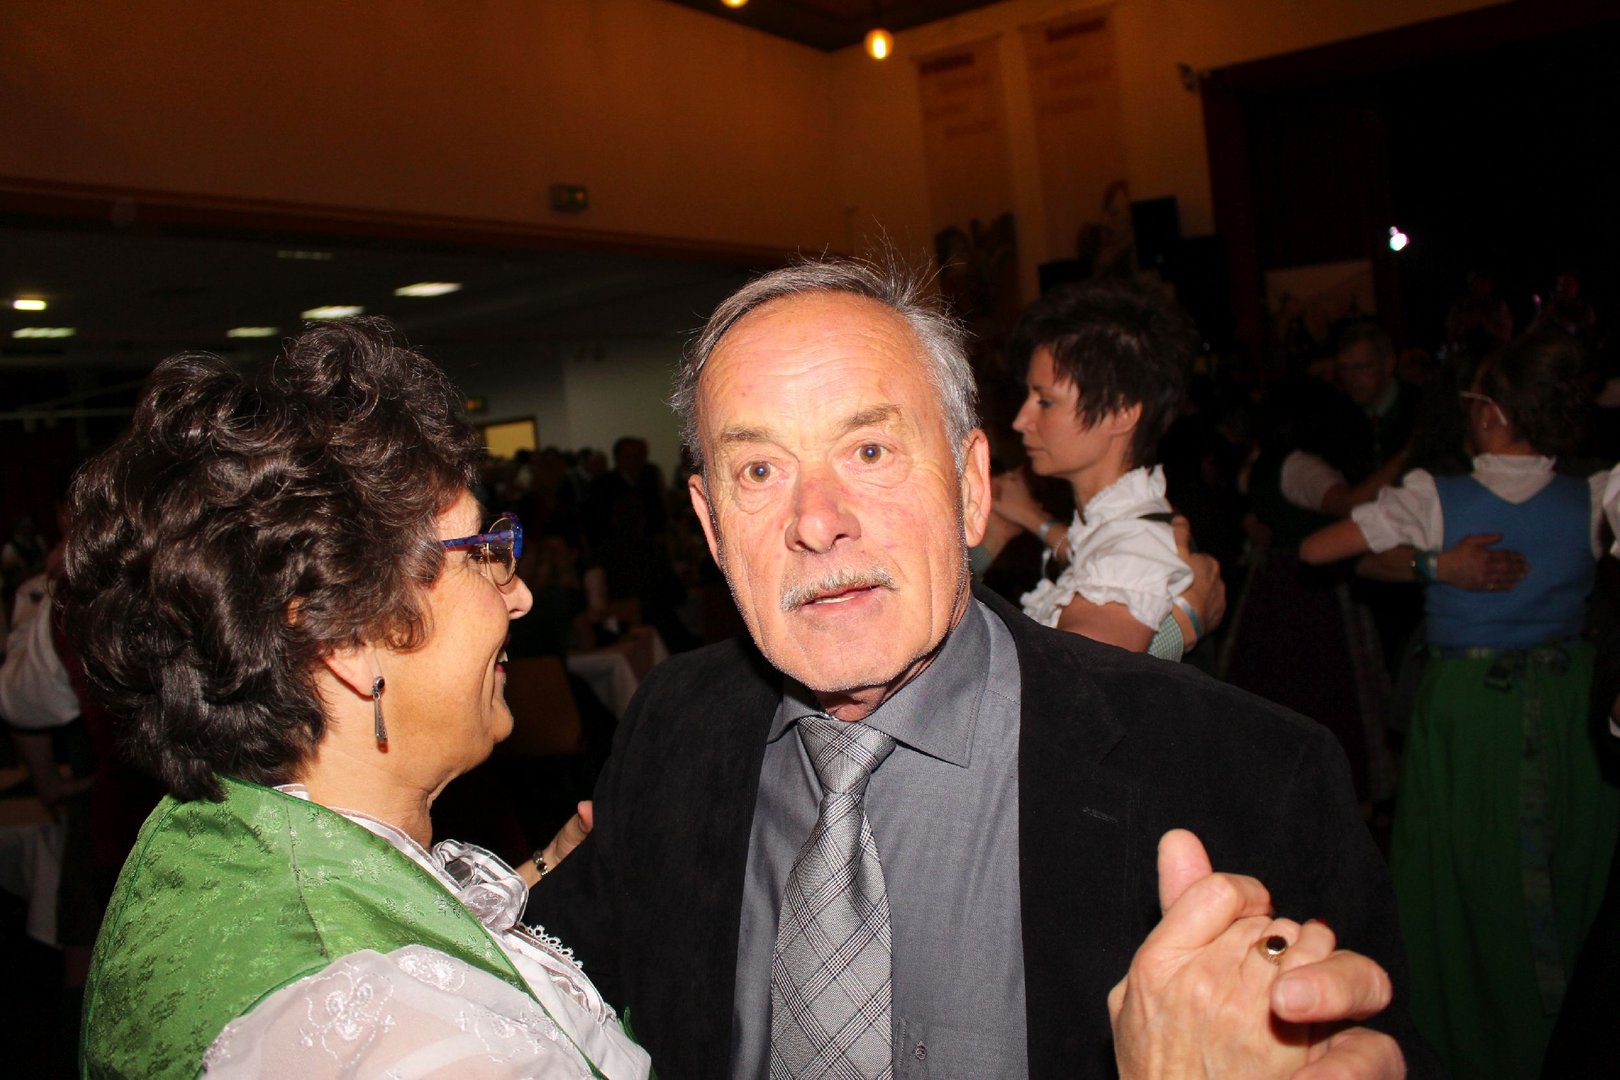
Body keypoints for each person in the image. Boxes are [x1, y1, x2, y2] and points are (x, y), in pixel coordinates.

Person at [529, 256, 1428, 1079]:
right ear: (712, 526)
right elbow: (540, 1003)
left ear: (970, 487)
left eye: (869, 451)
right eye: (759, 471)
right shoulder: (672, 726)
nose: (817, 521)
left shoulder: (1244, 777)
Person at [62, 319, 649, 1079]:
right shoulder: (388, 1035)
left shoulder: (210, 837)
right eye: (482, 554)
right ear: (345, 638)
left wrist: (540, 874)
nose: (520, 594)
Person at [1300, 332, 1619, 1079]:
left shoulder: (1436, 495)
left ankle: (1485, 1043)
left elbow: (1318, 549)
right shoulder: (1597, 493)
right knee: (1567, 867)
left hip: (1472, 710)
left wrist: (1434, 561)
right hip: (1571, 707)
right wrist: (1439, 564)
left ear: (1492, 412)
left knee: (1468, 879)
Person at [990, 280, 1204, 657]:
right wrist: (1033, 519)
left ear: (1121, 413)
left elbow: (1074, 688)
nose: (1021, 420)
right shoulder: (1116, 525)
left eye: (1045, 401)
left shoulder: (1132, 554)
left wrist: (1184, 623)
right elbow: (1085, 550)